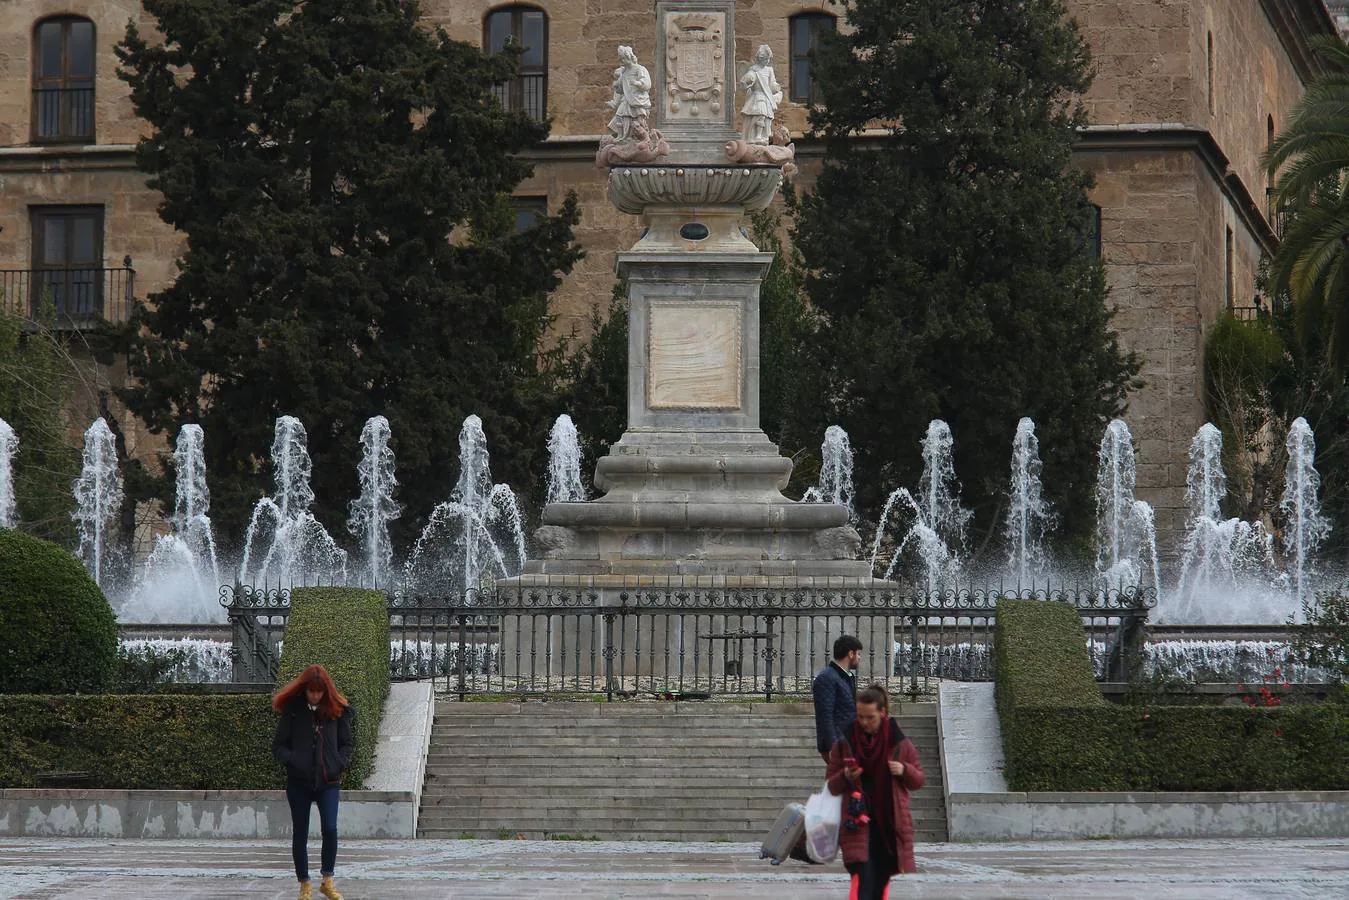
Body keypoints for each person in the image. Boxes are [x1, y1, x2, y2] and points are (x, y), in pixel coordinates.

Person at [825, 684, 924, 898]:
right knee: (862, 880)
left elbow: (918, 780)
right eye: (860, 716)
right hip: (857, 822)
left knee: (880, 883)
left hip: (888, 825)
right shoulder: (845, 743)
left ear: (882, 713)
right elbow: (831, 785)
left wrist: (904, 770)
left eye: (870, 717)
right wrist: (846, 776)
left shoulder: (899, 744)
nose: (863, 722)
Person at [273, 664, 356, 900]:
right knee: (300, 832)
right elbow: (279, 745)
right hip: (299, 782)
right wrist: (293, 760)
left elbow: (347, 743)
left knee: (330, 828)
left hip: (328, 780)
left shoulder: (336, 711)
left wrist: (340, 762)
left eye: (319, 691)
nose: (316, 695)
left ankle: (327, 880)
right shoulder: (293, 710)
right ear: (305, 689)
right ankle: (304, 884)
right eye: (312, 691)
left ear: (325, 690)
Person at [813, 635, 862, 761]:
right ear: (851, 653)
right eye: (859, 654)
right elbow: (825, 716)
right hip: (838, 744)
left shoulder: (846, 677)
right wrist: (832, 746)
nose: (859, 658)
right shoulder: (827, 678)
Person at [607, 45, 653, 142]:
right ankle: (622, 136)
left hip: (638, 100)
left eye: (623, 59)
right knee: (620, 116)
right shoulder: (624, 72)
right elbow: (621, 89)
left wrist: (639, 83)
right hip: (627, 99)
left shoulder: (640, 69)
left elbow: (647, 83)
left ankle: (640, 137)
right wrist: (616, 86)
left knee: (639, 121)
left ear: (629, 57)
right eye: (621, 59)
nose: (622, 62)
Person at [740, 43, 783, 144]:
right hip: (757, 96)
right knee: (760, 114)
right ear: (760, 58)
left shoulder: (769, 70)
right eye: (765, 59)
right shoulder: (754, 70)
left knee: (766, 118)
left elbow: (772, 83)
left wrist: (775, 87)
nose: (767, 61)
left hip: (766, 96)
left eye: (768, 59)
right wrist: (748, 80)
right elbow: (748, 80)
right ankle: (756, 136)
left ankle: (763, 136)